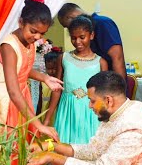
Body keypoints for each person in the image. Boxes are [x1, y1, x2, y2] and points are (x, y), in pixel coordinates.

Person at [0, 0, 63, 165]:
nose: (37, 37)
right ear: (21, 22)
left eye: (42, 33)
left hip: (18, 99)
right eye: (33, 31)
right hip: (2, 103)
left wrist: (44, 77)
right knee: (3, 152)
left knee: (20, 150)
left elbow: (22, 68)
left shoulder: (28, 41)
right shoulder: (8, 46)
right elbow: (12, 90)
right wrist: (37, 124)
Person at [25, 71, 142, 165]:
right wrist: (51, 147)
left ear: (108, 100)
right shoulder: (115, 111)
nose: (89, 106)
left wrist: (52, 157)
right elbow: (94, 151)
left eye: (92, 101)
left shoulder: (133, 128)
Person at [45, 15, 108, 144]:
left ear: (91, 35)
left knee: (88, 150)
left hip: (91, 114)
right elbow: (57, 90)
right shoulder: (64, 58)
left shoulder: (100, 63)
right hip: (67, 113)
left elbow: (104, 95)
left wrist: (106, 121)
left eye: (82, 37)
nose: (77, 41)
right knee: (63, 150)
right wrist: (47, 119)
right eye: (73, 38)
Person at [57, 3, 126, 80]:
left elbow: (117, 58)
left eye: (67, 26)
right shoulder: (65, 57)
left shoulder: (102, 23)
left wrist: (120, 89)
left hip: (110, 84)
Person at [38, 51, 59, 125]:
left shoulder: (61, 82)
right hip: (44, 113)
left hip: (57, 115)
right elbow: (40, 101)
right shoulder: (43, 82)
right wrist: (37, 116)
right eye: (48, 69)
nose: (52, 71)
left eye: (54, 68)